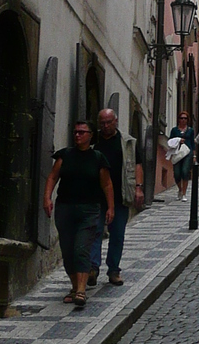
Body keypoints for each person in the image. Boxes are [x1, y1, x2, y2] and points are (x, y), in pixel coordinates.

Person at [43, 120, 114, 308]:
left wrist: (110, 207)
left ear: (91, 135)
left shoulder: (98, 158)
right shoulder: (64, 156)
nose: (78, 135)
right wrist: (47, 198)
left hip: (89, 210)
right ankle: (74, 287)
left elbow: (107, 184)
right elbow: (52, 177)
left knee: (81, 249)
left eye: (82, 132)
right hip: (65, 208)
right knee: (67, 250)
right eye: (75, 132)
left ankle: (81, 291)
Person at [89, 109, 143, 286]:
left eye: (109, 122)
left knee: (117, 234)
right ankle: (92, 268)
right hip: (96, 195)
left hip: (121, 195)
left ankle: (113, 270)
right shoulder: (93, 141)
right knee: (94, 232)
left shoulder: (127, 142)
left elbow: (137, 164)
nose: (105, 126)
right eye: (102, 123)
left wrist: (138, 188)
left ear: (116, 121)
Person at [167, 111, 195, 199]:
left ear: (187, 120)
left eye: (185, 118)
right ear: (178, 119)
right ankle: (180, 188)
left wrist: (194, 155)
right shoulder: (174, 130)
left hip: (187, 152)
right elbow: (170, 142)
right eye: (181, 118)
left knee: (185, 171)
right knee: (177, 173)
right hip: (177, 152)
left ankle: (184, 193)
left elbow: (192, 143)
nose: (183, 120)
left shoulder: (190, 130)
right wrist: (178, 140)